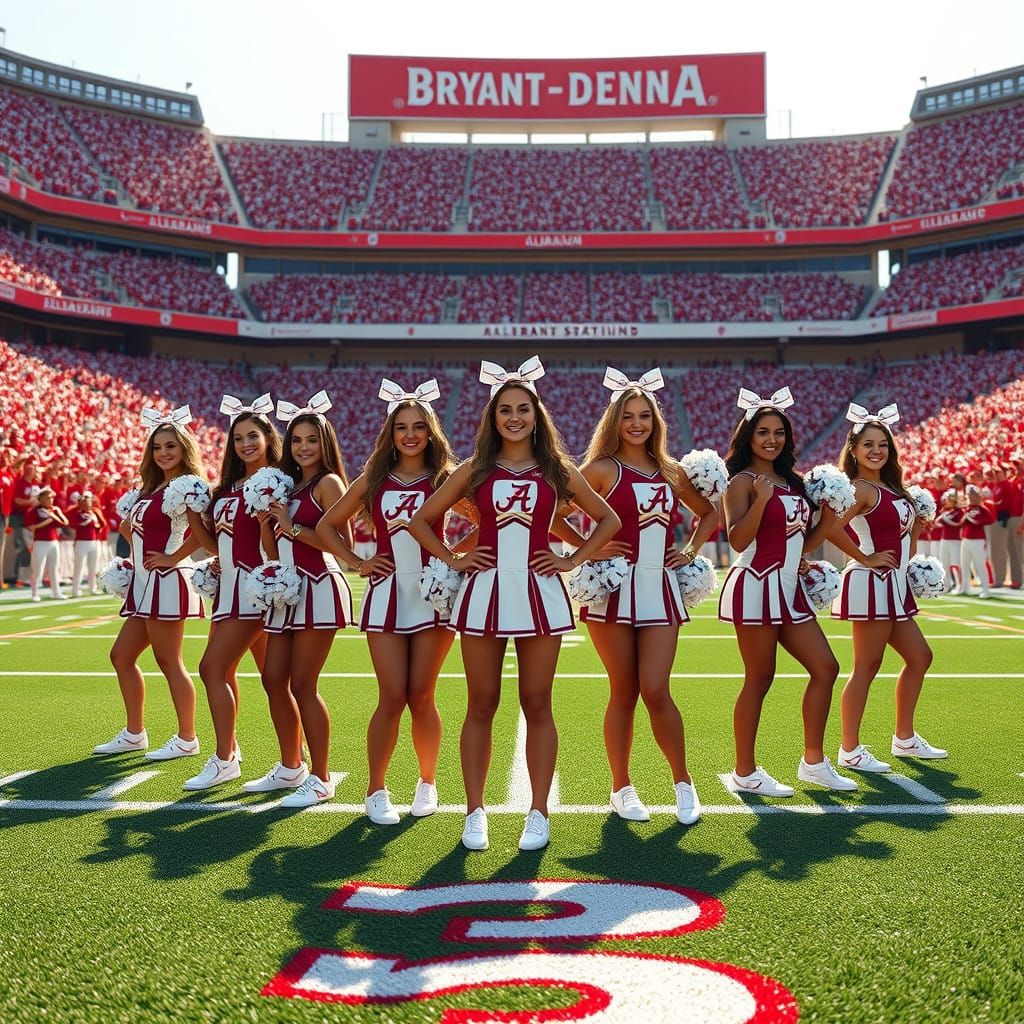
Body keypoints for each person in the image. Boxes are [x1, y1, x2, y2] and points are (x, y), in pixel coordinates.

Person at [409, 358, 621, 851]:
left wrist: (572, 561)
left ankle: (539, 812)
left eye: (523, 408)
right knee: (480, 704)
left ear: (536, 413)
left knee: (538, 703)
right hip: (483, 595)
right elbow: (421, 520)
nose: (514, 417)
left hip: (539, 594)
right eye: (505, 409)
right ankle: (475, 812)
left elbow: (607, 520)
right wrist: (453, 558)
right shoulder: (474, 469)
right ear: (492, 417)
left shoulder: (557, 469)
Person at [316, 378, 469, 824]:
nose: (410, 434)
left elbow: (491, 520)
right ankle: (376, 789)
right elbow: (328, 526)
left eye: (419, 426)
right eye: (401, 426)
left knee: (422, 695)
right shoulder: (375, 479)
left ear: (430, 431)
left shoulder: (444, 478)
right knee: (391, 695)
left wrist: (456, 558)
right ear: (390, 432)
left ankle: (427, 782)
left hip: (433, 594)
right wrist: (354, 561)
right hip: (386, 594)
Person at [579, 368, 720, 825]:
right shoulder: (600, 469)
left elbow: (708, 513)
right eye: (628, 416)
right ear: (614, 422)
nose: (637, 424)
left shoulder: (670, 470)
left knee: (656, 689)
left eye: (645, 416)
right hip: (611, 592)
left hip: (659, 589)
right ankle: (621, 787)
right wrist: (591, 549)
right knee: (623, 691)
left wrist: (692, 550)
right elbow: (550, 510)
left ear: (655, 421)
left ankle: (683, 783)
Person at [718, 386, 857, 796]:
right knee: (759, 678)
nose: (772, 439)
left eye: (779, 432)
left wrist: (829, 520)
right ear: (748, 437)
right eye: (763, 432)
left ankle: (812, 761)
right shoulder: (741, 481)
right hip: (755, 585)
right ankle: (745, 771)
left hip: (789, 588)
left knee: (826, 667)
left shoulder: (793, 481)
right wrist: (760, 501)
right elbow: (738, 541)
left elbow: (806, 541)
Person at [826, 403, 946, 769]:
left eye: (883, 444)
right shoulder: (860, 488)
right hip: (870, 582)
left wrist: (919, 529)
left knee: (920, 657)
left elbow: (904, 544)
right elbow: (831, 528)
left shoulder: (892, 488)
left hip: (893, 585)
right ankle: (850, 750)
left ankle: (904, 739)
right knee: (867, 666)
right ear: (855, 449)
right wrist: (863, 558)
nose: (877, 450)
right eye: (868, 444)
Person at [254, 391, 352, 807]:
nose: (304, 447)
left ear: (324, 443)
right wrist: (266, 521)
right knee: (273, 679)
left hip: (319, 586)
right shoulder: (285, 485)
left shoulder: (329, 483)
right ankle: (291, 766)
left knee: (303, 684)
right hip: (287, 589)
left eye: (312, 439)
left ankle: (322, 777)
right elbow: (275, 549)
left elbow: (341, 544)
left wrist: (291, 525)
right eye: (296, 440)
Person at [181, 395, 282, 792]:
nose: (245, 444)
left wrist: (259, 535)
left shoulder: (277, 482)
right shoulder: (225, 489)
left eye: (252, 436)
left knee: (213, 668)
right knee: (264, 677)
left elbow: (276, 543)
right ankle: (286, 759)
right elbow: (212, 543)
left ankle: (225, 759)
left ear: (266, 438)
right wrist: (192, 513)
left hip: (258, 590)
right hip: (228, 590)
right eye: (238, 438)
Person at [94, 407, 205, 760]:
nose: (164, 453)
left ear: (184, 448)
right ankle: (134, 733)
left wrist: (174, 557)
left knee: (169, 661)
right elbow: (134, 528)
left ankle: (187, 738)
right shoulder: (151, 487)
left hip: (167, 581)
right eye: (157, 447)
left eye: (171, 446)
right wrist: (131, 533)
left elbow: (203, 534)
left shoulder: (187, 485)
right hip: (145, 583)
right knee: (121, 656)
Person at [25, 486, 69, 601]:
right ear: (41, 499)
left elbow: (65, 523)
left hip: (54, 542)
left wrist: (54, 515)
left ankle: (56, 592)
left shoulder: (55, 510)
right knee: (37, 569)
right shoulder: (34, 511)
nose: (51, 500)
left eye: (52, 498)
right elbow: (30, 527)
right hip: (40, 542)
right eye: (48, 498)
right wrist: (46, 522)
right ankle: (35, 593)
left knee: (54, 569)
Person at [958, 486, 995, 598]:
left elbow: (990, 519)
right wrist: (965, 517)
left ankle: (985, 589)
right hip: (965, 539)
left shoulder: (983, 509)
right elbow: (961, 522)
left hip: (977, 540)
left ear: (978, 496)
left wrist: (974, 520)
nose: (970, 496)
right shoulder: (967, 508)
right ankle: (965, 587)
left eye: (972, 494)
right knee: (964, 564)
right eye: (969, 494)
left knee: (980, 565)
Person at [68, 490, 107, 596]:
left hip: (94, 542)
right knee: (79, 566)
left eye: (89, 500)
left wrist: (96, 524)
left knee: (93, 567)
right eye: (85, 500)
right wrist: (83, 521)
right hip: (81, 542)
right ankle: (75, 589)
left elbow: (103, 523)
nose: (88, 502)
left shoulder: (94, 511)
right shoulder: (76, 512)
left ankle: (92, 588)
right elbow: (71, 523)